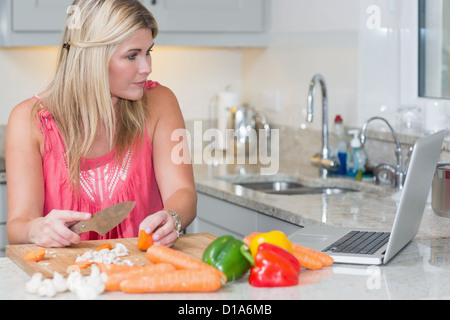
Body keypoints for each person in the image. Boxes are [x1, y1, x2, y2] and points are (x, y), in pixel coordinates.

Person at [5, 0, 197, 248]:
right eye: (132, 56)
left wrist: (172, 217)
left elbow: (184, 192)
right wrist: (36, 229)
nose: (146, 67)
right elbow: (18, 226)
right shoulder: (28, 121)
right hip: (66, 276)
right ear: (92, 58)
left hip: (145, 271)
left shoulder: (161, 103)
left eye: (148, 52)